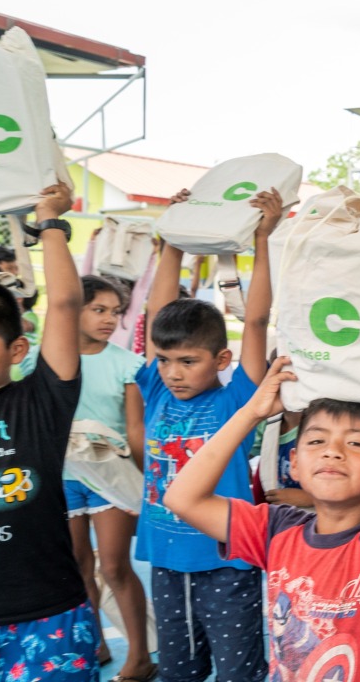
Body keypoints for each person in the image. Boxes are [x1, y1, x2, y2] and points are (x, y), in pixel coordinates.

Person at [164, 353, 360, 682]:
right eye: (317, 440)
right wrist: (251, 413)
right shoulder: (275, 529)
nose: (332, 451)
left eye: (356, 442)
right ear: (296, 463)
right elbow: (182, 498)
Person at [136, 187, 281, 682]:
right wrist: (173, 236)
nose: (173, 372)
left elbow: (257, 320)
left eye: (188, 361)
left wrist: (263, 239)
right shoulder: (155, 388)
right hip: (166, 565)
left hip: (226, 564)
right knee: (177, 673)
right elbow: (158, 316)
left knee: (239, 673)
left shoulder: (236, 398)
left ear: (221, 360)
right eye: (166, 360)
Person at [0, 184, 94, 679]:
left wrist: (49, 222)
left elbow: (66, 306)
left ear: (17, 351)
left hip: (49, 617)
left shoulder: (39, 402)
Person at [19, 275, 153, 682]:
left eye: (116, 312)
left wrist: (148, 484)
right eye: (99, 309)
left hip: (110, 477)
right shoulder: (35, 361)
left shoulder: (126, 364)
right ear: (71, 308)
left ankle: (140, 656)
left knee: (114, 567)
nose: (110, 319)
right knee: (77, 565)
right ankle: (91, 643)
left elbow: (135, 430)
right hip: (59, 478)